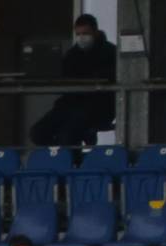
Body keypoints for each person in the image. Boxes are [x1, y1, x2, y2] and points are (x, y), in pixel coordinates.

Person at [30, 15, 118, 147]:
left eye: (85, 33)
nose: (81, 37)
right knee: (37, 132)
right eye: (78, 34)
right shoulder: (72, 55)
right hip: (70, 104)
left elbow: (111, 78)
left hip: (99, 105)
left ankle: (72, 162)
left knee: (67, 134)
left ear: (95, 32)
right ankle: (60, 156)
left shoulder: (111, 52)